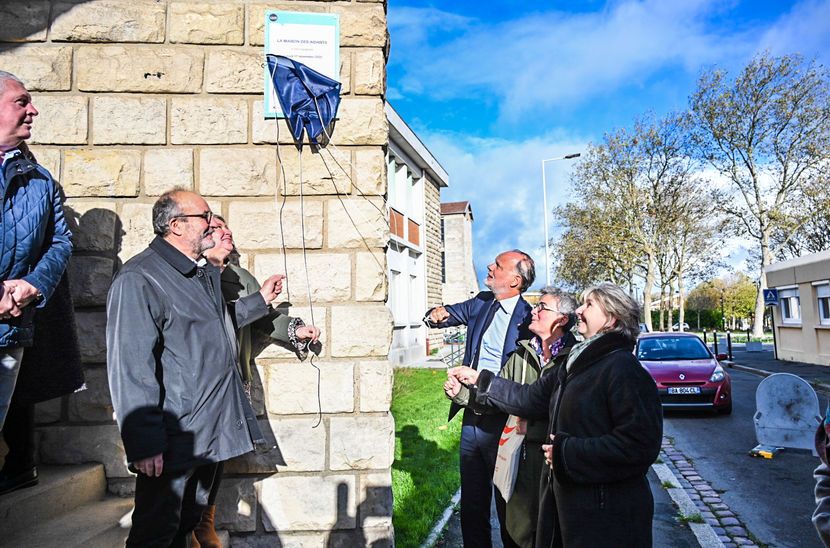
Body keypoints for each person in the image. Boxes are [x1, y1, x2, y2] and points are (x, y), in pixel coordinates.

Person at [106, 189, 284, 547]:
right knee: (155, 533)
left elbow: (216, 324)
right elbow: (130, 365)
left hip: (210, 429)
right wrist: (144, 441)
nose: (211, 224)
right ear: (176, 225)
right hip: (175, 437)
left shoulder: (201, 274)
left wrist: (261, 300)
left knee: (187, 523)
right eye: (204, 216)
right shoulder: (139, 278)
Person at [448, 282, 663, 548]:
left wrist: (566, 452)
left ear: (612, 318)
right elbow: (528, 399)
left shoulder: (624, 370)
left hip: (608, 516)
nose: (579, 311)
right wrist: (482, 380)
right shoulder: (575, 363)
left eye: (589, 305)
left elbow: (640, 446)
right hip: (575, 509)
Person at [191, 215, 320, 547]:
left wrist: (295, 330)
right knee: (192, 454)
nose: (227, 231)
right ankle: (185, 519)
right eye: (218, 228)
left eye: (227, 227)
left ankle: (204, 520)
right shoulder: (186, 274)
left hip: (232, 377)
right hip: (193, 381)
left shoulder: (240, 277)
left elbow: (264, 319)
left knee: (217, 453)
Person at [445, 287, 577, 548]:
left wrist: (531, 418)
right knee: (516, 529)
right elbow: (499, 397)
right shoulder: (521, 354)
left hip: (556, 464)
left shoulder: (572, 359)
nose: (534, 311)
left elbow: (558, 407)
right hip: (518, 461)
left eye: (542, 307)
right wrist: (462, 395)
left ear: (561, 319)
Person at [425, 249, 535, 548]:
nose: (489, 265)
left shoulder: (529, 318)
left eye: (497, 265)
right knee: (473, 501)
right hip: (472, 410)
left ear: (514, 279)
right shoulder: (482, 303)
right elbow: (446, 315)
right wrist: (435, 316)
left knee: (507, 501)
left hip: (507, 417)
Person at [0, 71, 72, 434]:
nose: (34, 110)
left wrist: (32, 285)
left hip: (11, 327)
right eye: (21, 101)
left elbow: (60, 241)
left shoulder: (40, 180)